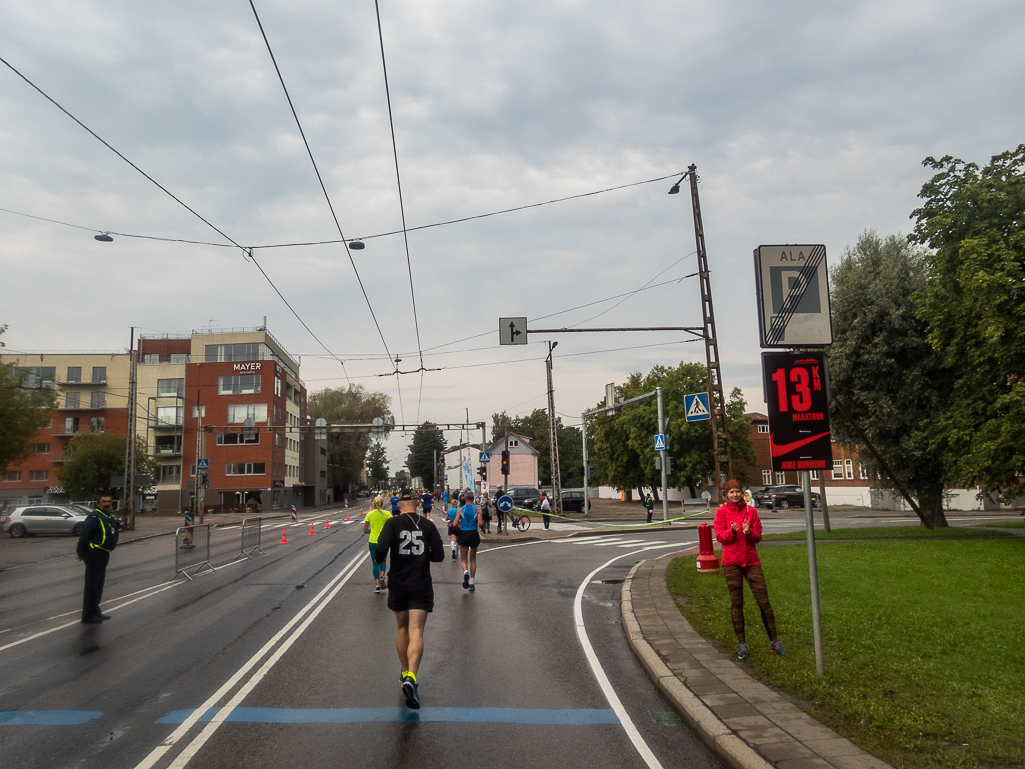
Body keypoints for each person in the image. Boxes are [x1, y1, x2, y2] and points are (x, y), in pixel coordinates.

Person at [375, 489, 444, 709]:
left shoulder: (393, 524)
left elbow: (381, 549)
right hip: (421, 583)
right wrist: (424, 555)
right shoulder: (428, 525)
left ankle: (405, 672)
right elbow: (439, 556)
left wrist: (381, 560)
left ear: (398, 507)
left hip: (399, 582)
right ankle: (411, 677)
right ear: (416, 504)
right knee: (417, 631)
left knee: (402, 628)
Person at [713, 479, 785, 660]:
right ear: (726, 495)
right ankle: (742, 643)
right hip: (731, 563)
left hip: (751, 561)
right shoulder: (721, 512)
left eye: (737, 491)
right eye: (731, 492)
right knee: (737, 603)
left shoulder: (751, 511)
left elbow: (758, 536)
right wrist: (732, 532)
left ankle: (774, 642)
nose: (735, 495)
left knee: (764, 601)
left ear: (742, 493)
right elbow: (720, 537)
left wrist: (747, 532)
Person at [76, 495, 120, 624]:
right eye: (104, 502)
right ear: (98, 503)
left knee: (99, 585)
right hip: (93, 554)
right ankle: (87, 615)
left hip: (103, 553)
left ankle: (95, 611)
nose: (107, 504)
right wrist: (80, 552)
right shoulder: (94, 517)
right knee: (92, 586)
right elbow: (85, 536)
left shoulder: (107, 517)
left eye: (109, 502)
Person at [455, 491, 483, 590]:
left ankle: (465, 572)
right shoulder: (478, 509)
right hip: (474, 534)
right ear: (473, 498)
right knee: (473, 559)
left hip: (464, 534)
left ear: (465, 498)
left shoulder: (461, 510)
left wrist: (458, 528)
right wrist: (483, 529)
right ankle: (472, 582)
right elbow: (480, 523)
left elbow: (454, 524)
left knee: (463, 558)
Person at [363, 495, 391, 593]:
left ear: (373, 504)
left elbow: (365, 530)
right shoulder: (387, 514)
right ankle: (382, 576)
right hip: (384, 541)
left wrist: (372, 530)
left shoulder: (369, 514)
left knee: (375, 563)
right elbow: (392, 527)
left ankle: (377, 585)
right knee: (383, 561)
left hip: (373, 541)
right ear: (383, 503)